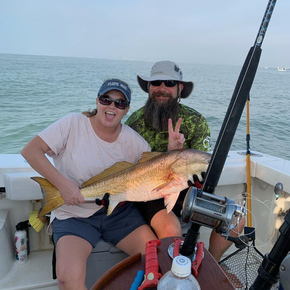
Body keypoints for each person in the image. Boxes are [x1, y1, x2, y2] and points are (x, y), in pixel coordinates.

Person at [21, 79, 159, 290]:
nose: (112, 106)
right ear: (97, 101)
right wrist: (64, 185)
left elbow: (156, 170)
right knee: (67, 280)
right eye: (106, 99)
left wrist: (173, 151)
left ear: (127, 110)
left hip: (118, 213)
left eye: (120, 103)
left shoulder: (135, 142)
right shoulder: (73, 123)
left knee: (156, 261)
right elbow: (30, 151)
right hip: (73, 214)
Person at [125, 61, 244, 261]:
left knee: (235, 219)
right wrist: (169, 154)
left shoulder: (196, 121)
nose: (162, 88)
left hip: (188, 188)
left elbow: (205, 169)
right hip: (151, 190)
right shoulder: (133, 123)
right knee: (171, 227)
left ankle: (213, 263)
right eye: (156, 83)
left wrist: (179, 157)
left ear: (179, 89)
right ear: (148, 87)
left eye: (170, 83)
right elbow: (127, 168)